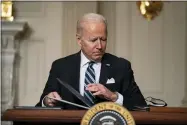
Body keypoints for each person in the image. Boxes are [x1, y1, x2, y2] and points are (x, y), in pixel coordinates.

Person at [36, 13, 147, 110]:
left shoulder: (121, 66)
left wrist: (113, 96)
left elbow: (141, 106)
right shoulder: (60, 66)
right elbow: (42, 103)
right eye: (93, 40)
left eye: (103, 39)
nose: (99, 46)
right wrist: (47, 101)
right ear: (79, 40)